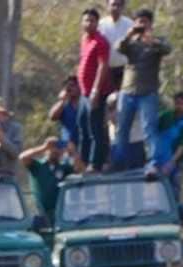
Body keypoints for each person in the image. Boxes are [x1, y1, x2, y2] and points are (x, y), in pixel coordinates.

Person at [108, 9, 171, 172]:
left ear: (151, 23)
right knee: (122, 129)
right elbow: (118, 48)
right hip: (127, 92)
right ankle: (119, 163)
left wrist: (151, 40)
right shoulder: (130, 42)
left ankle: (154, 163)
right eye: (139, 21)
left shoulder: (157, 41)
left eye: (145, 21)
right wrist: (129, 35)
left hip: (148, 92)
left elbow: (167, 49)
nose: (142, 24)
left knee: (149, 128)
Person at [75, 7, 112, 170]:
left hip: (96, 93)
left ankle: (95, 163)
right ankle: (83, 160)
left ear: (97, 23)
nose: (88, 23)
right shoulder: (85, 39)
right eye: (86, 20)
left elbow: (103, 66)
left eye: (92, 20)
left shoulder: (101, 41)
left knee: (95, 128)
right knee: (82, 125)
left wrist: (96, 90)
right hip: (84, 93)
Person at [20, 136, 79, 217]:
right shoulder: (38, 165)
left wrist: (73, 152)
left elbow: (79, 169)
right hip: (39, 212)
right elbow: (23, 157)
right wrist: (44, 147)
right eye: (52, 147)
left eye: (58, 148)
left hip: (59, 213)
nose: (55, 150)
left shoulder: (64, 167)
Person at [155, 90, 183, 199]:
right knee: (159, 189)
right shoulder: (166, 116)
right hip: (161, 158)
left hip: (177, 161)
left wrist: (171, 162)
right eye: (177, 103)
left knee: (174, 189)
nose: (180, 106)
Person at [98, 0, 135, 107]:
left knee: (123, 102)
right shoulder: (101, 24)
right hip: (106, 70)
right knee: (107, 101)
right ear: (108, 6)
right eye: (113, 4)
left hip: (124, 70)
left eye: (118, 5)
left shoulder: (130, 24)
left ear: (123, 6)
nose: (115, 8)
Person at [49, 76, 81, 145]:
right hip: (67, 145)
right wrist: (62, 100)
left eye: (72, 85)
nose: (69, 89)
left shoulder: (85, 105)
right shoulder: (63, 106)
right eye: (67, 87)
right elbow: (52, 117)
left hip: (84, 144)